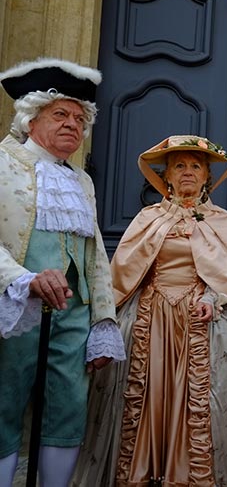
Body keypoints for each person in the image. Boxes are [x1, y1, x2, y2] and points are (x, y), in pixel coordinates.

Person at [72, 135, 227, 486]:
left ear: (207, 176)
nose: (187, 172)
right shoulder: (148, 217)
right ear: (166, 175)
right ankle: (142, 470)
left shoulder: (220, 219)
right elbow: (125, 269)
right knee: (146, 396)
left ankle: (188, 474)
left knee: (199, 400)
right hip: (151, 319)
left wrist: (211, 299)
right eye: (179, 165)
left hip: (202, 319)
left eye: (196, 166)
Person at [0, 58, 125, 487]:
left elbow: (95, 255)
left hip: (73, 315)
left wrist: (103, 319)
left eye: (80, 118)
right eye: (61, 114)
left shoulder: (82, 181)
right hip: (14, 309)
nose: (73, 124)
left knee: (68, 407)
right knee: (3, 403)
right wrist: (22, 279)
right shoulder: (3, 162)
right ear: (31, 119)